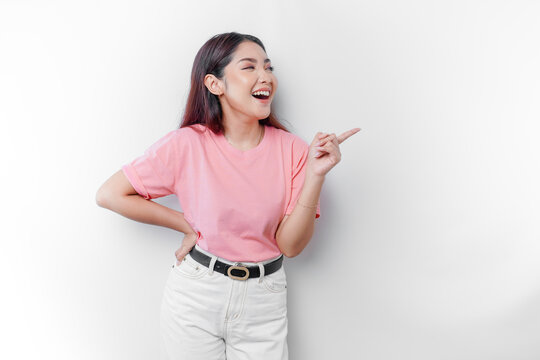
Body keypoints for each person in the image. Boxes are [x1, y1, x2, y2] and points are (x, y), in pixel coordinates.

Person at [96, 32, 360, 360]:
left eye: (268, 67)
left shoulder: (293, 149)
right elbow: (110, 194)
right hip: (196, 292)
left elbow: (291, 246)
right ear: (215, 84)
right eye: (249, 67)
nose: (265, 77)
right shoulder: (187, 144)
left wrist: (315, 176)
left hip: (264, 297)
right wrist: (186, 225)